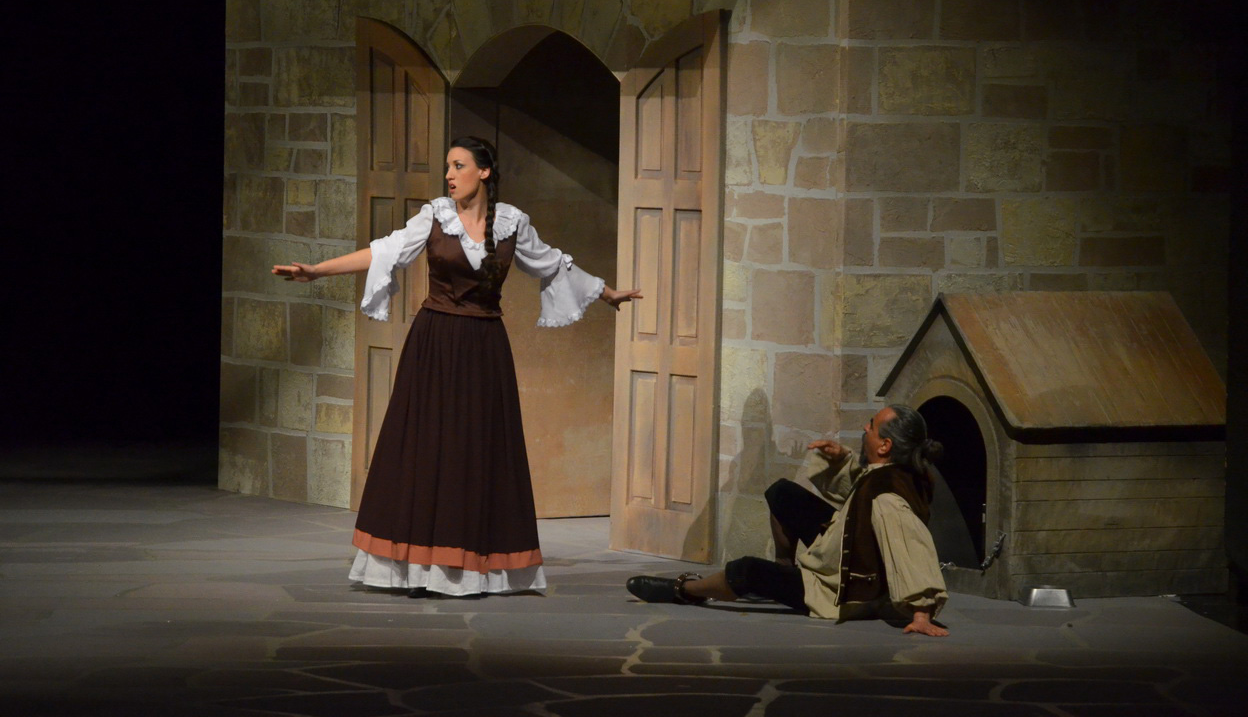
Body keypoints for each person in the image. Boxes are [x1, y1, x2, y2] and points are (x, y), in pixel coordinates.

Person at [273, 136, 640, 597]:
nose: (449, 175)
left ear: (484, 171)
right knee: (427, 448)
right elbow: (384, 252)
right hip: (436, 344)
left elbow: (552, 264)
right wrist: (317, 270)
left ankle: (473, 565)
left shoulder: (512, 223)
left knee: (478, 451)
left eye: (459, 166)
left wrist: (608, 293)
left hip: (485, 348)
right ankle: (417, 566)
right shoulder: (434, 216)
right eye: (448, 166)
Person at [626, 404, 949, 635]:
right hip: (840, 549)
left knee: (747, 570)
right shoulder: (897, 472)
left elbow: (912, 547)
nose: (865, 428)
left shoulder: (888, 498)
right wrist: (841, 460)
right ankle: (784, 570)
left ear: (885, 445)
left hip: (842, 590)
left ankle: (686, 590)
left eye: (872, 426)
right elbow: (860, 495)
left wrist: (921, 612)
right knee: (782, 493)